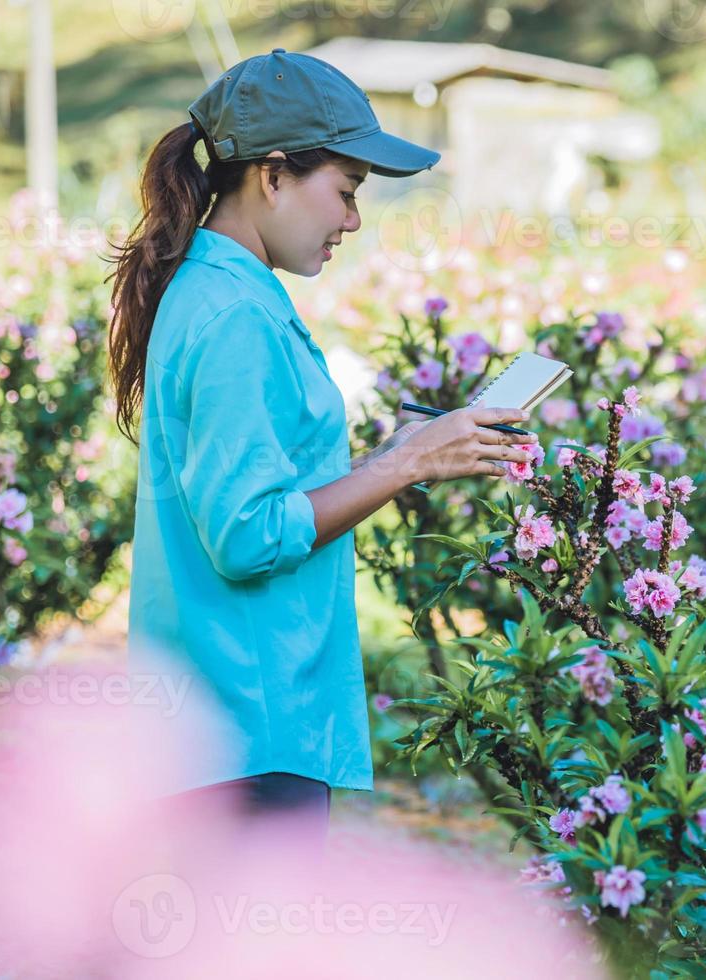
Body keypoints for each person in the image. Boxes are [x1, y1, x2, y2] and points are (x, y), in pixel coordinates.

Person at [106, 49, 533, 843]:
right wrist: (407, 464)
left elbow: (260, 484)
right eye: (345, 192)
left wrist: (396, 454)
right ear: (272, 176)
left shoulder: (219, 290)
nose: (353, 220)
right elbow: (248, 535)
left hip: (223, 722)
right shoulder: (235, 316)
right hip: (247, 731)